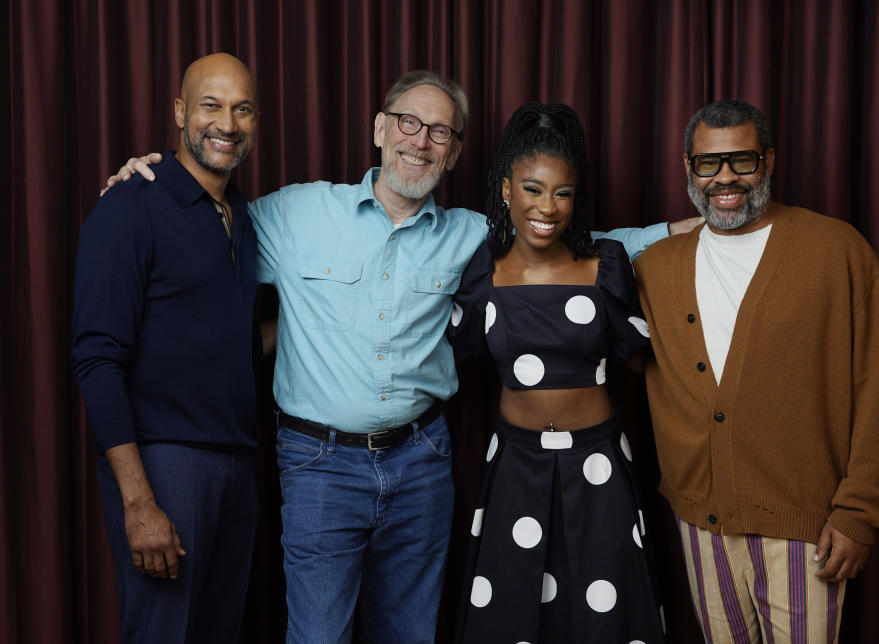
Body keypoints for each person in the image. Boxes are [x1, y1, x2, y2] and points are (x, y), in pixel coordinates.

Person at [104, 70, 699, 643]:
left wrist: (699, 225)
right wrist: (146, 181)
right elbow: (206, 227)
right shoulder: (296, 213)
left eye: (440, 131)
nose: (421, 141)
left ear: (456, 153)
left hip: (421, 462)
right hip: (319, 465)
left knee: (411, 634)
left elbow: (592, 250)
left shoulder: (476, 236)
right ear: (379, 129)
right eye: (408, 122)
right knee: (317, 636)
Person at [633, 99, 879, 642]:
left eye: (743, 160)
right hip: (701, 523)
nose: (725, 178)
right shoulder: (655, 267)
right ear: (688, 167)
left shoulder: (836, 250)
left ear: (770, 161)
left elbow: (876, 387)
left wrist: (860, 513)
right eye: (708, 163)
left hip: (806, 528)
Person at [447, 102, 665, 644]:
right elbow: (451, 356)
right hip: (514, 463)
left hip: (598, 464)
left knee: (603, 613)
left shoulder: (606, 264)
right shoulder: (482, 271)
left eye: (562, 193)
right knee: (512, 609)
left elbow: (646, 363)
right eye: (533, 188)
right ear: (505, 190)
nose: (548, 206)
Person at [72, 53, 264, 643]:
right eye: (211, 105)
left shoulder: (244, 218)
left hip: (238, 463)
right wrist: (138, 503)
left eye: (242, 109)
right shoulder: (131, 204)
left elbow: (231, 332)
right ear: (181, 113)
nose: (226, 124)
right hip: (165, 465)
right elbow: (97, 357)